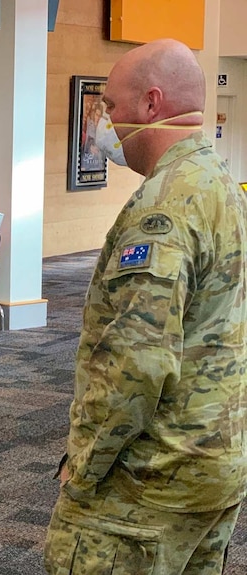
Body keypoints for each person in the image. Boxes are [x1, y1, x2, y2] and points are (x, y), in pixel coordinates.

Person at [45, 39, 247, 575]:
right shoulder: (222, 185)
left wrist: (83, 466)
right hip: (213, 463)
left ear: (151, 104)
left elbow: (138, 363)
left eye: (110, 107)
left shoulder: (164, 208)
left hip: (148, 482)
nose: (104, 122)